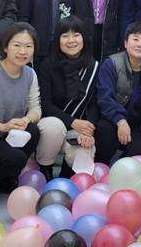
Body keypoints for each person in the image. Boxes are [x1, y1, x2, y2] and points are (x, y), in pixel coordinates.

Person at [0, 23, 63, 198]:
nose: (23, 51)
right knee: (16, 159)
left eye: (28, 46)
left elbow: (36, 108)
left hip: (6, 133)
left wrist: (26, 119)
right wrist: (2, 127)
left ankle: (7, 180)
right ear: (5, 47)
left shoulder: (30, 74)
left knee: (33, 131)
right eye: (17, 45)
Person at [37, 16, 99, 179]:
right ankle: (45, 169)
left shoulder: (93, 66)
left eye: (76, 35)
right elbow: (45, 105)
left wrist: (88, 130)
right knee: (53, 126)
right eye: (65, 36)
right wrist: (72, 122)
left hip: (78, 130)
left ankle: (67, 174)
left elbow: (94, 103)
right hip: (52, 128)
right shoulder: (47, 66)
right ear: (57, 40)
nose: (71, 40)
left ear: (84, 38)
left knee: (84, 159)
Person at [97, 22, 141, 163]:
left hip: (138, 126)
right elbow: (104, 98)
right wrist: (120, 121)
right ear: (125, 43)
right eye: (135, 39)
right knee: (104, 130)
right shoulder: (111, 64)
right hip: (112, 121)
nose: (140, 44)